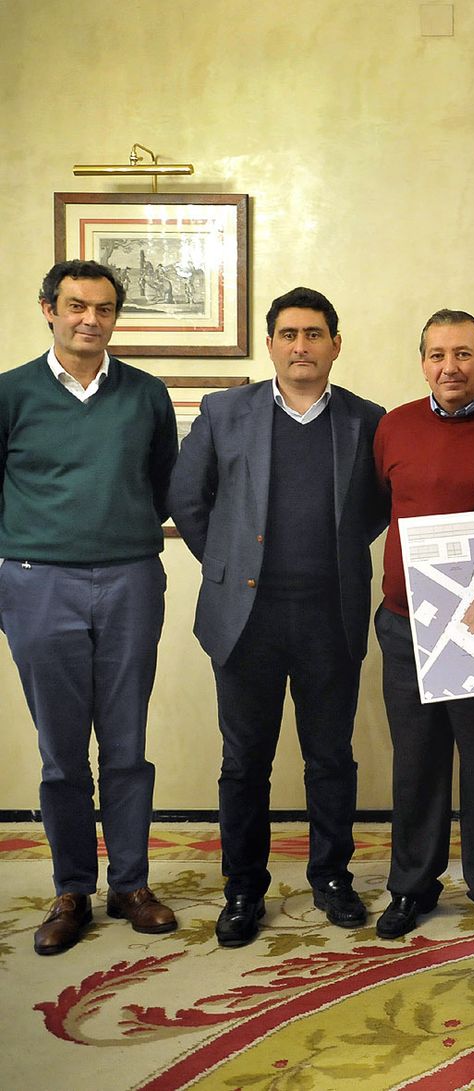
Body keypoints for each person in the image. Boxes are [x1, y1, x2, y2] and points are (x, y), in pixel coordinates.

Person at [169, 287, 387, 948]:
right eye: (288, 333)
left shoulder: (366, 419)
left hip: (330, 617)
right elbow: (187, 494)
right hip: (247, 621)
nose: (301, 345)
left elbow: (377, 504)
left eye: (314, 334)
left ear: (335, 345)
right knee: (244, 762)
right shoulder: (224, 411)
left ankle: (331, 878)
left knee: (330, 758)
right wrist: (231, 566)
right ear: (270, 344)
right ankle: (243, 888)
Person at [1, 260, 179, 955]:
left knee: (128, 745)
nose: (89, 320)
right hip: (38, 582)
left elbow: (165, 482)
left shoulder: (145, 394)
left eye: (103, 309)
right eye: (76, 306)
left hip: (131, 578)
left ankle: (130, 883)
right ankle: (71, 887)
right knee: (61, 752)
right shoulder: (12, 392)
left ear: (115, 317)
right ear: (48, 307)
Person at [371, 309, 474, 944]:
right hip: (405, 621)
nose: (450, 367)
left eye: (463, 354)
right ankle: (412, 886)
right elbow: (372, 512)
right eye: (437, 355)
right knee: (417, 761)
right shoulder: (393, 427)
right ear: (423, 363)